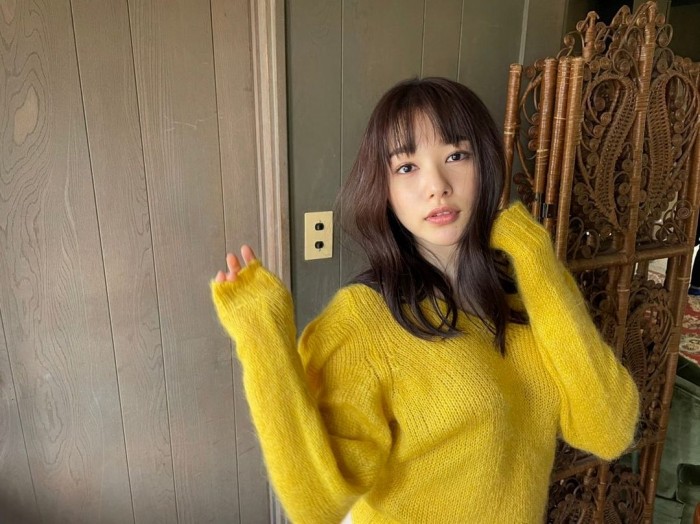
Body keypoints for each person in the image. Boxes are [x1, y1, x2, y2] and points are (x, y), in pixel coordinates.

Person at [210, 77, 640, 523]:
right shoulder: (363, 321)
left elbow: (608, 429)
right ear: (384, 188)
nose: (437, 186)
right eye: (406, 167)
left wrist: (536, 259)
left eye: (456, 156)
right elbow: (316, 504)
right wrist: (263, 339)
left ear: (485, 164)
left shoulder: (524, 301)